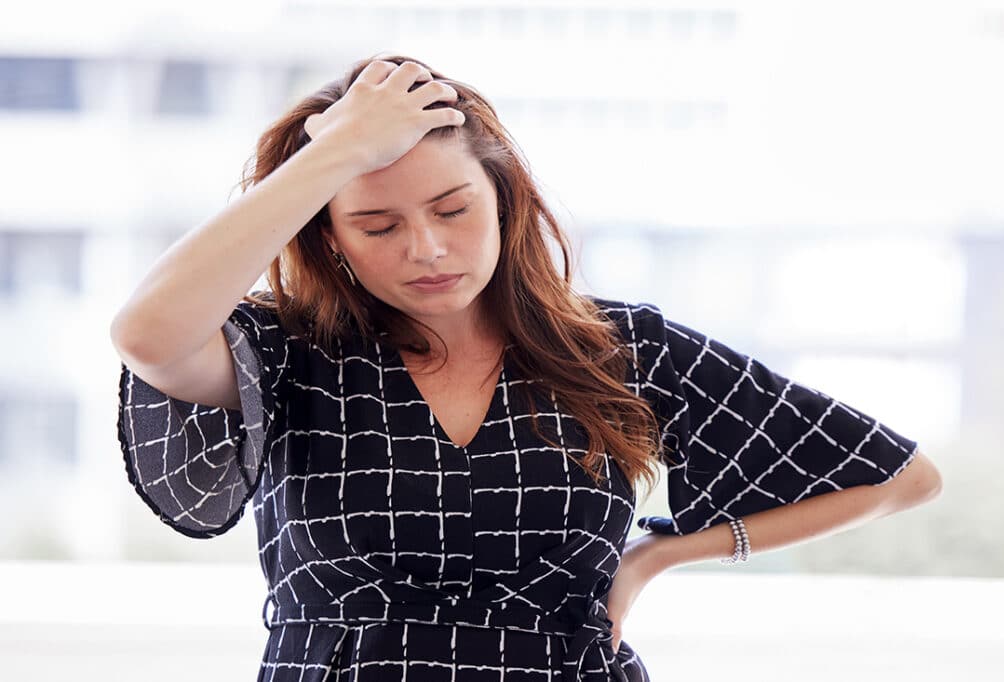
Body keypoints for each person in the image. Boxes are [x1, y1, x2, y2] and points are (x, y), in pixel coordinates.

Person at [110, 54, 942, 682]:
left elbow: (902, 477)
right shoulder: (285, 350)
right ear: (330, 235)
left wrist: (664, 554)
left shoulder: (615, 349)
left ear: (503, 202)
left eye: (452, 209)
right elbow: (147, 333)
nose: (427, 249)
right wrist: (334, 155)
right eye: (377, 224)